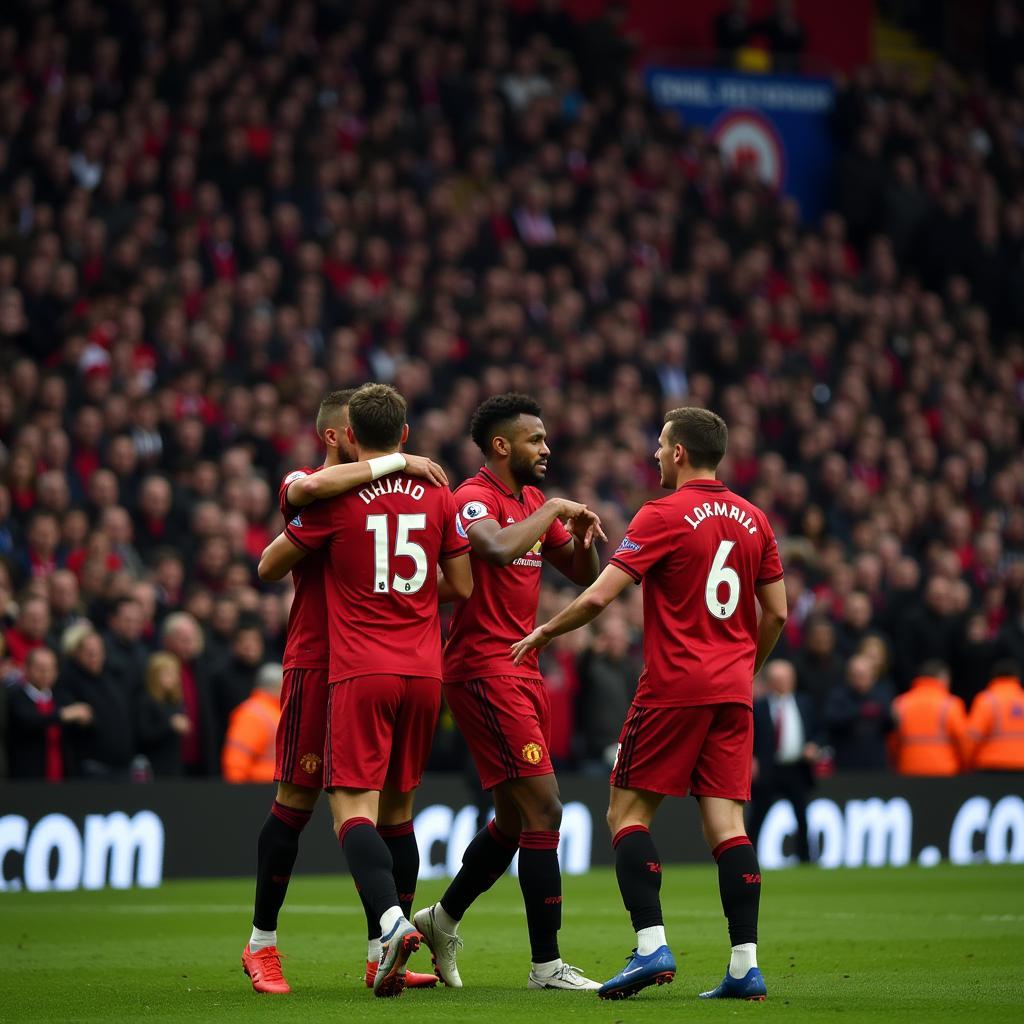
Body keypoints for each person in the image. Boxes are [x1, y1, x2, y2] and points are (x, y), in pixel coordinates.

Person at [511, 407, 786, 1002]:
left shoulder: (662, 514)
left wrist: (543, 632)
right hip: (732, 692)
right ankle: (745, 965)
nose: (656, 455)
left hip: (674, 687)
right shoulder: (754, 518)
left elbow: (598, 597)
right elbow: (780, 611)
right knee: (728, 825)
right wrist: (745, 669)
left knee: (626, 814)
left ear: (681, 452)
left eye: (661, 445)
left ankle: (651, 945)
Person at [257, 383, 473, 998]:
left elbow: (269, 564)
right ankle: (262, 945)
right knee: (297, 804)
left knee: (377, 811)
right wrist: (403, 465)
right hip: (324, 662)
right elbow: (459, 583)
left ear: (352, 435)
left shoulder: (340, 502)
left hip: (359, 666)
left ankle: (385, 946)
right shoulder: (408, 488)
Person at [413, 393, 606, 994]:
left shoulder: (526, 502)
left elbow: (583, 574)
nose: (547, 449)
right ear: (501, 446)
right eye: (536, 440)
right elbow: (493, 548)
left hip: (521, 668)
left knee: (514, 819)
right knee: (546, 808)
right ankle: (546, 965)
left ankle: (440, 920)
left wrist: (582, 534)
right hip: (482, 670)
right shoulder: (474, 498)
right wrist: (551, 512)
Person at [748, 659, 820, 863]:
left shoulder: (804, 703)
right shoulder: (758, 707)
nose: (782, 683)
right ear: (769, 681)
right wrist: (751, 759)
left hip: (796, 768)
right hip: (769, 769)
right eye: (777, 679)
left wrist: (813, 745)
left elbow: (818, 730)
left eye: (786, 678)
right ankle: (748, 860)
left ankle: (806, 859)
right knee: (757, 818)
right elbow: (747, 737)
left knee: (802, 818)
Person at [6, 646, 92, 779]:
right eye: (40, 668)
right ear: (27, 669)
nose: (46, 672)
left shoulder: (62, 697)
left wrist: (84, 720)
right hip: (27, 775)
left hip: (62, 773)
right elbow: (28, 720)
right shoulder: (16, 697)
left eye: (51, 668)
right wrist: (63, 715)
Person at [889, 661, 969, 775]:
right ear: (943, 677)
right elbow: (963, 741)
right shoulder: (951, 704)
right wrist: (966, 767)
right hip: (944, 769)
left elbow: (892, 741)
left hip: (908, 768)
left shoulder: (900, 703)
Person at [223, 663, 284, 782]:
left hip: (274, 788)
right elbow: (236, 761)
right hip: (259, 789)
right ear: (278, 686)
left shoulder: (276, 711)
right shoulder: (252, 715)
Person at [136, 651, 190, 777]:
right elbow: (144, 734)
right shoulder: (146, 700)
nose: (174, 678)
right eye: (168, 674)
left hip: (174, 765)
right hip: (154, 766)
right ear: (155, 676)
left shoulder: (175, 701)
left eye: (175, 674)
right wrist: (170, 725)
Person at [965, 660, 1024, 771]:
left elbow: (972, 737)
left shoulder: (986, 700)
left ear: (993, 678)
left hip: (992, 765)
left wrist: (967, 764)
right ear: (1017, 678)